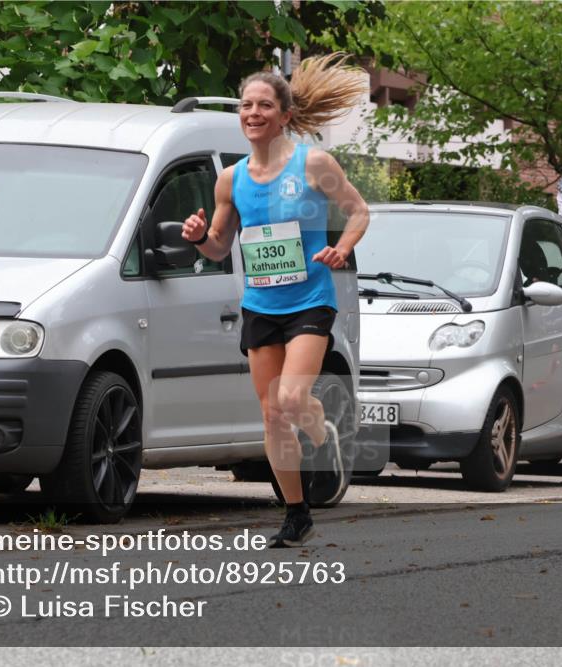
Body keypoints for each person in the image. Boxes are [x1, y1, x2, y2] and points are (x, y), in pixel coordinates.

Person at [181, 54, 370, 548]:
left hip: (310, 299)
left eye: (264, 105)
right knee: (271, 415)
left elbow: (358, 211)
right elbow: (221, 247)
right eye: (246, 105)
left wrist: (342, 246)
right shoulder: (232, 179)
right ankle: (296, 512)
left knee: (289, 398)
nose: (253, 113)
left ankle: (322, 428)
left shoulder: (314, 164)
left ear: (285, 115)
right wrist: (200, 237)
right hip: (261, 304)